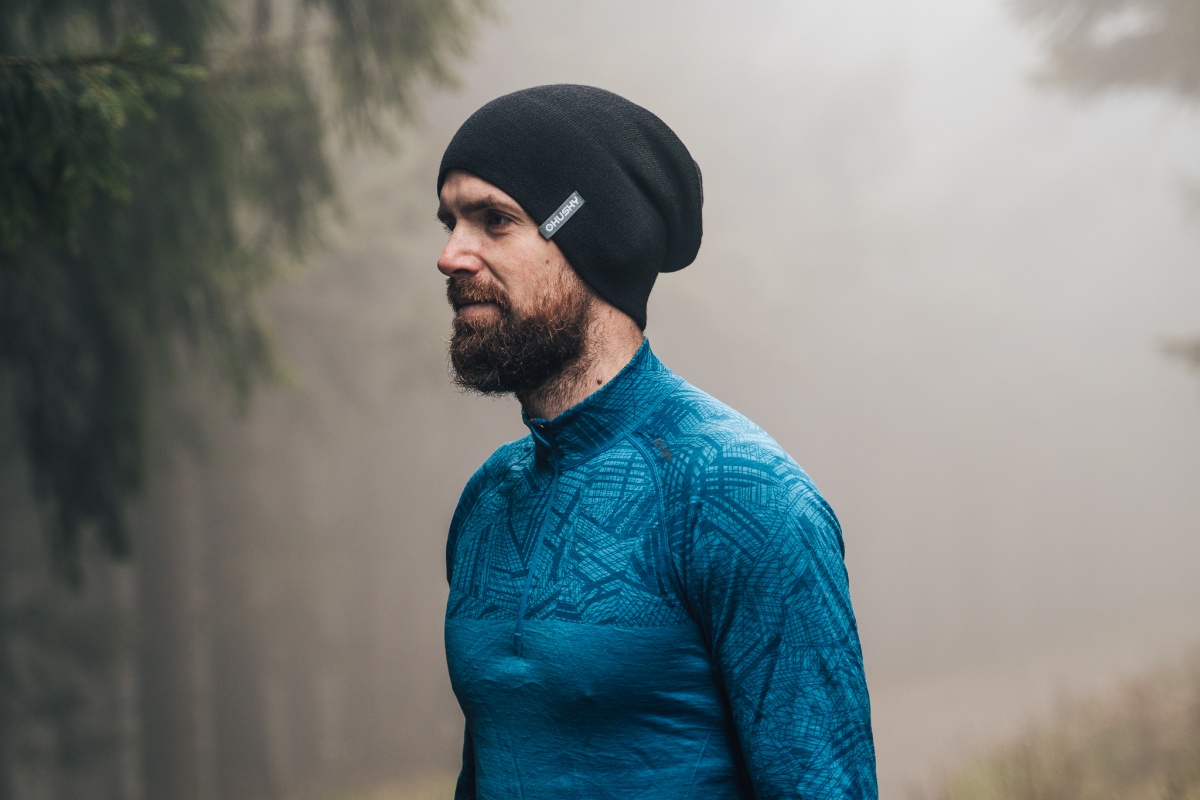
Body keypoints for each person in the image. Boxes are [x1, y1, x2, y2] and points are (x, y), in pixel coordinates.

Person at [436, 84, 876, 800]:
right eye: (451, 221)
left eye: (496, 220)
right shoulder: (488, 501)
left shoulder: (746, 498)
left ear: (591, 237)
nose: (451, 255)